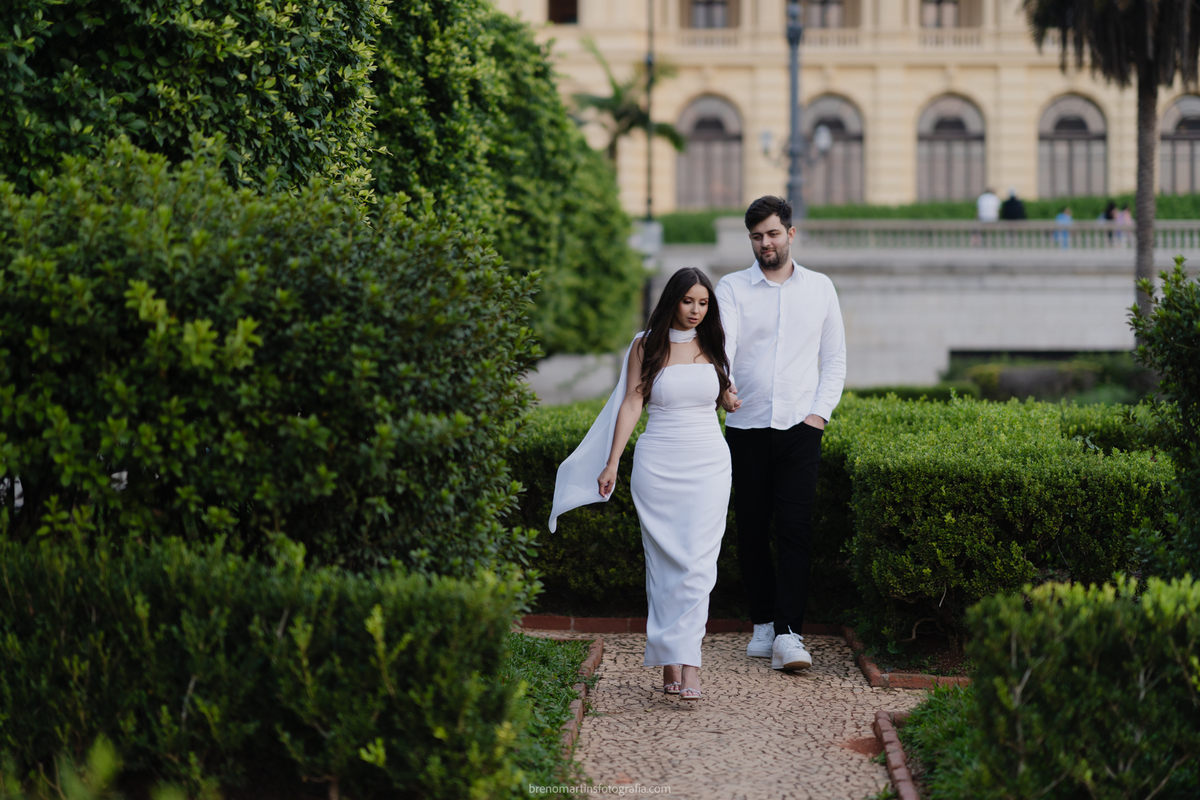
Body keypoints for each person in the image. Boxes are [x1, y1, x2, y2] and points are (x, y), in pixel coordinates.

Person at [549, 267, 735, 701]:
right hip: (659, 464)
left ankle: (691, 666)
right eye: (688, 301)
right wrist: (612, 462)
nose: (695, 310)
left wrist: (728, 396)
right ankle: (671, 660)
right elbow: (633, 401)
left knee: (699, 564)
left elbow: (721, 391)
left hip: (709, 462)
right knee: (666, 564)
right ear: (672, 301)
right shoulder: (645, 345)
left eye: (703, 302)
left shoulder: (714, 342)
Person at [715, 196, 847, 672]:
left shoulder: (820, 288)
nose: (764, 243)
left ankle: (790, 634)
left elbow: (834, 360)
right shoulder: (731, 288)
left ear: (791, 233)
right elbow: (723, 345)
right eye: (756, 236)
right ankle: (764, 623)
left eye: (772, 234)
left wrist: (818, 417)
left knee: (795, 530)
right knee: (750, 529)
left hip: (800, 429)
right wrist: (724, 384)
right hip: (745, 425)